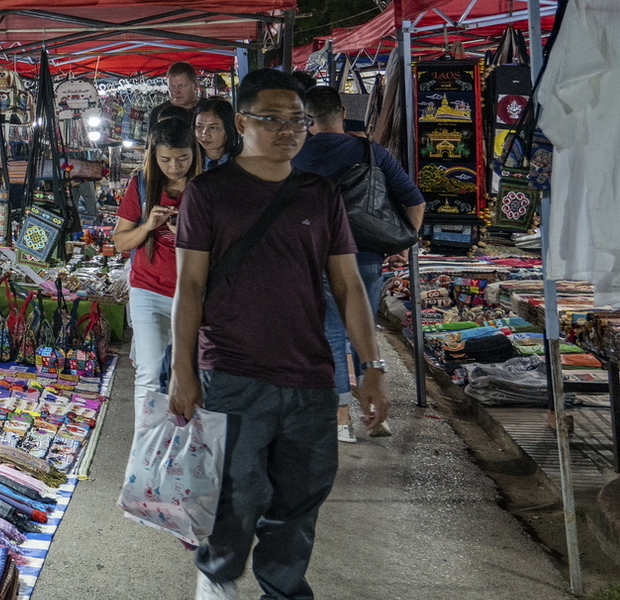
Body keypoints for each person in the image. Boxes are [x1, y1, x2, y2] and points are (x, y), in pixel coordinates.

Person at [169, 69, 390, 600]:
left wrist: (371, 366)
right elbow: (190, 286)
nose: (288, 130)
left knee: (300, 499)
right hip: (233, 371)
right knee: (238, 492)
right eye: (272, 119)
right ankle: (219, 575)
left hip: (309, 374)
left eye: (297, 120)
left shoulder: (320, 194)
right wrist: (182, 371)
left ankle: (284, 590)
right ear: (242, 122)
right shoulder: (209, 193)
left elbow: (348, 285)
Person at [295, 85, 424, 443]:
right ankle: (375, 415)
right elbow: (415, 201)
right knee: (363, 332)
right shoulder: (371, 151)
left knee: (332, 335)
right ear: (342, 113)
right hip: (367, 256)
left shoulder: (297, 153)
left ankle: (341, 420)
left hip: (318, 258)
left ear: (307, 119)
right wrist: (404, 243)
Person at [111, 117, 202, 419]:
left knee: (189, 374)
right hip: (148, 290)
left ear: (194, 153)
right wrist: (148, 225)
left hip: (194, 295)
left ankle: (180, 437)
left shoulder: (208, 186)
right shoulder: (142, 184)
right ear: (154, 156)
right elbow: (121, 242)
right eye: (165, 160)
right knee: (150, 372)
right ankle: (145, 442)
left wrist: (188, 233)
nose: (174, 166)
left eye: (182, 158)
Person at [148, 61, 202, 132]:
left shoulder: (208, 108)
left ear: (196, 84)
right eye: (172, 86)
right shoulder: (158, 112)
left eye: (182, 86)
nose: (176, 91)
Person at [193, 98, 242, 169]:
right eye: (199, 127)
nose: (204, 134)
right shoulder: (189, 162)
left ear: (228, 128)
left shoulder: (242, 162)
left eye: (213, 127)